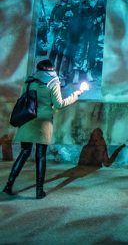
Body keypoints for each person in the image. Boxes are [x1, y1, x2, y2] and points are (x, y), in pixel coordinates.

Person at [3, 59, 89, 199]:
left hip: (27, 119)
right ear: (51, 69)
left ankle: (8, 185)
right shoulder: (53, 82)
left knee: (24, 152)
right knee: (40, 156)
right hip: (42, 122)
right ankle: (39, 191)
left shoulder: (29, 81)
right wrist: (77, 93)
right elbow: (59, 104)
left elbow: (23, 98)